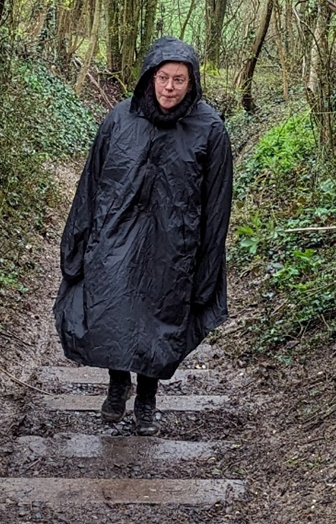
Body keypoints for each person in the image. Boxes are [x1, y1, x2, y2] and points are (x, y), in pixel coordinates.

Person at [54, 36, 234, 436]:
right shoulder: (119, 120)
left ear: (193, 83)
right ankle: (118, 385)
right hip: (116, 237)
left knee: (159, 320)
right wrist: (77, 243)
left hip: (174, 245)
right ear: (150, 77)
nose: (169, 87)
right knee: (114, 311)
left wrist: (208, 266)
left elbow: (218, 204)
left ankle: (147, 399)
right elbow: (91, 184)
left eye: (179, 80)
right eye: (163, 78)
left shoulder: (210, 130)